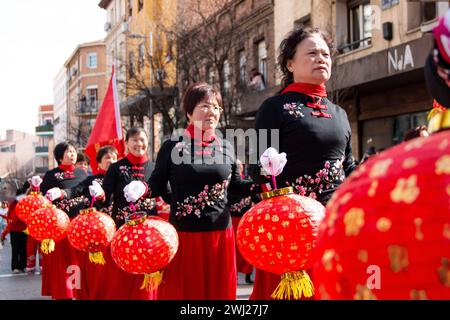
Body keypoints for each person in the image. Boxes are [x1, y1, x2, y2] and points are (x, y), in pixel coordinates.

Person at [249, 26, 357, 299]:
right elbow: (258, 168)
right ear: (290, 63)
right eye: (311, 53)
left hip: (334, 226)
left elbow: (348, 167)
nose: (321, 58)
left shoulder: (340, 113)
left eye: (325, 54)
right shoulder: (274, 108)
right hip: (291, 233)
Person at [124, 82, 259, 300]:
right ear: (189, 112)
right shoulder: (173, 145)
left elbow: (235, 186)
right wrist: (142, 187)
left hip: (220, 236)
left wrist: (262, 181)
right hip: (185, 236)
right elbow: (157, 184)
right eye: (205, 105)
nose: (212, 112)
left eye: (216, 107)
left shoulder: (226, 146)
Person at [99, 128, 158, 300]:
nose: (139, 143)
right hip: (123, 231)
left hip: (150, 233)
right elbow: (105, 196)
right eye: (134, 140)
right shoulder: (116, 168)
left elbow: (167, 193)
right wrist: (99, 194)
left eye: (142, 139)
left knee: (148, 273)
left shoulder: (155, 168)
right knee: (124, 276)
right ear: (127, 143)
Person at [40, 141, 86, 300]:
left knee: (79, 260)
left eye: (74, 151)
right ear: (60, 156)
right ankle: (64, 294)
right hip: (60, 225)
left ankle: (79, 293)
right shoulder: (51, 174)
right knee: (62, 261)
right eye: (68, 151)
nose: (72, 154)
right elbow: (43, 198)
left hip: (80, 223)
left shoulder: (82, 173)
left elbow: (85, 193)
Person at [71, 145, 118, 300]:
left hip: (118, 232)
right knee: (98, 274)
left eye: (114, 157)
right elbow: (75, 192)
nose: (111, 160)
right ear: (99, 163)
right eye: (107, 158)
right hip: (98, 235)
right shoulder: (91, 181)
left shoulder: (122, 178)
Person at [227, 159, 255, 285]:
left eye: (240, 165)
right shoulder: (228, 184)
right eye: (236, 166)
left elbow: (256, 197)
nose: (238, 167)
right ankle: (234, 273)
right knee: (234, 248)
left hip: (246, 220)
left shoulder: (248, 183)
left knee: (248, 247)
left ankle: (248, 274)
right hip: (232, 219)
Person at [0, 189, 27, 273]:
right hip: (20, 229)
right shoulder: (19, 204)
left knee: (18, 248)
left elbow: (9, 216)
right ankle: (19, 266)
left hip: (18, 229)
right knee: (20, 248)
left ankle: (18, 266)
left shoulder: (16, 204)